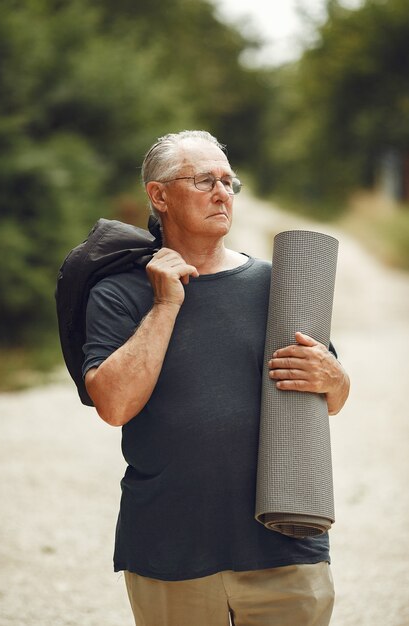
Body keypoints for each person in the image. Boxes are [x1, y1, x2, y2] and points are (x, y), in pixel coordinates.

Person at [83, 130, 350, 626]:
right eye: (205, 180)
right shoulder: (119, 293)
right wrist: (165, 304)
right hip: (169, 550)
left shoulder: (280, 283)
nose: (222, 192)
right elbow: (114, 405)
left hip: (286, 541)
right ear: (158, 195)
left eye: (229, 182)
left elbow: (330, 396)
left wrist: (335, 378)